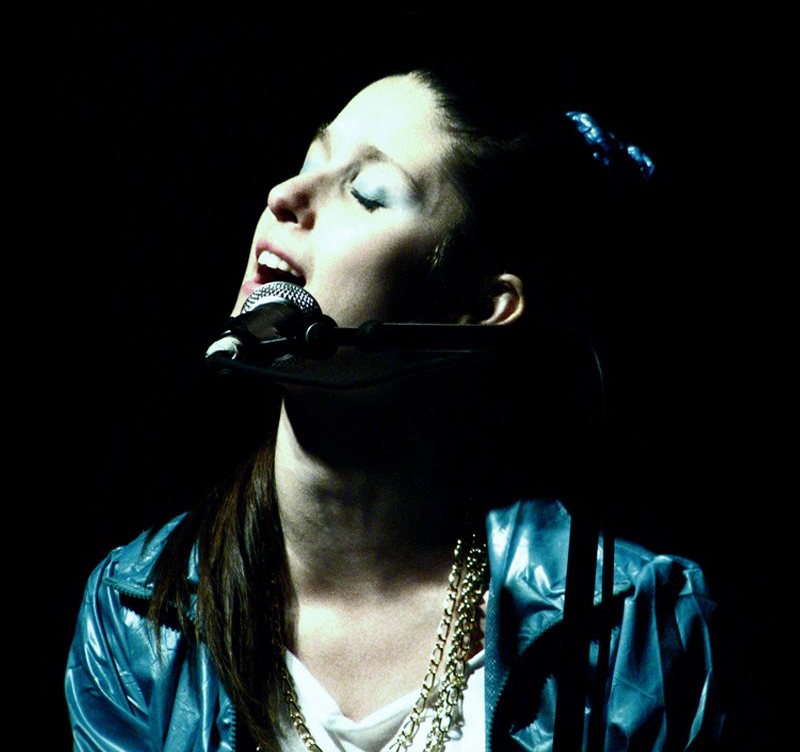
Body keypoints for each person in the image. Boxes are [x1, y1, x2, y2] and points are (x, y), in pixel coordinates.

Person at [65, 66, 724, 751]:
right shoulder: (135, 616)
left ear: (479, 308)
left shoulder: (638, 631)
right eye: (309, 164)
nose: (285, 196)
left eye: (367, 193)